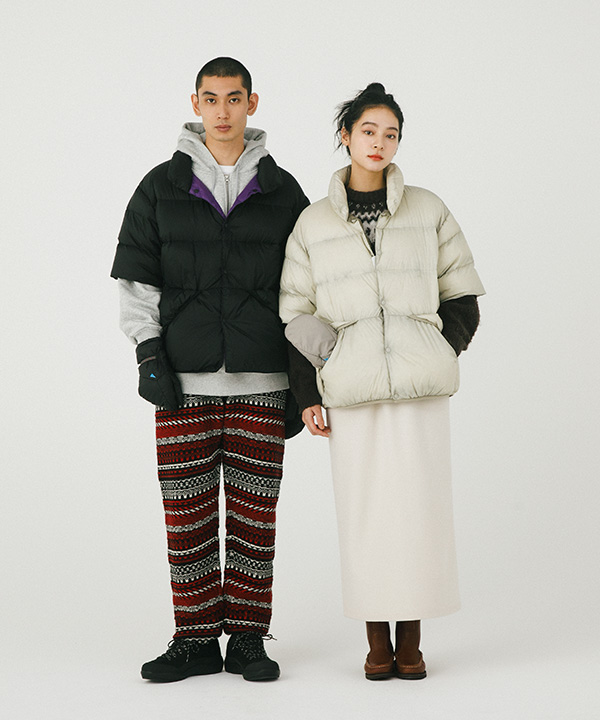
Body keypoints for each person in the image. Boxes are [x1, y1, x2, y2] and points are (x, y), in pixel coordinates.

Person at [111, 57, 309, 683]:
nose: (223, 110)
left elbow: (308, 288)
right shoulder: (159, 186)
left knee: (255, 518)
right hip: (182, 384)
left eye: (234, 98)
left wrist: (306, 378)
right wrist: (148, 354)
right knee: (186, 517)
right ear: (195, 103)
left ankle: (247, 639)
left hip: (263, 383)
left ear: (253, 103)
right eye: (212, 98)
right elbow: (137, 279)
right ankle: (195, 639)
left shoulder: (284, 191)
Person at [279, 83, 485, 681]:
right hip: (352, 393)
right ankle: (376, 642)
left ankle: (412, 641)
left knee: (420, 512)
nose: (379, 143)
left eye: (390, 134)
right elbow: (296, 312)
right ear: (346, 136)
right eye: (368, 131)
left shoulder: (428, 209)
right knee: (365, 515)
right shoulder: (312, 223)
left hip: (421, 390)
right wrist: (314, 386)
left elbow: (462, 292)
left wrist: (437, 347)